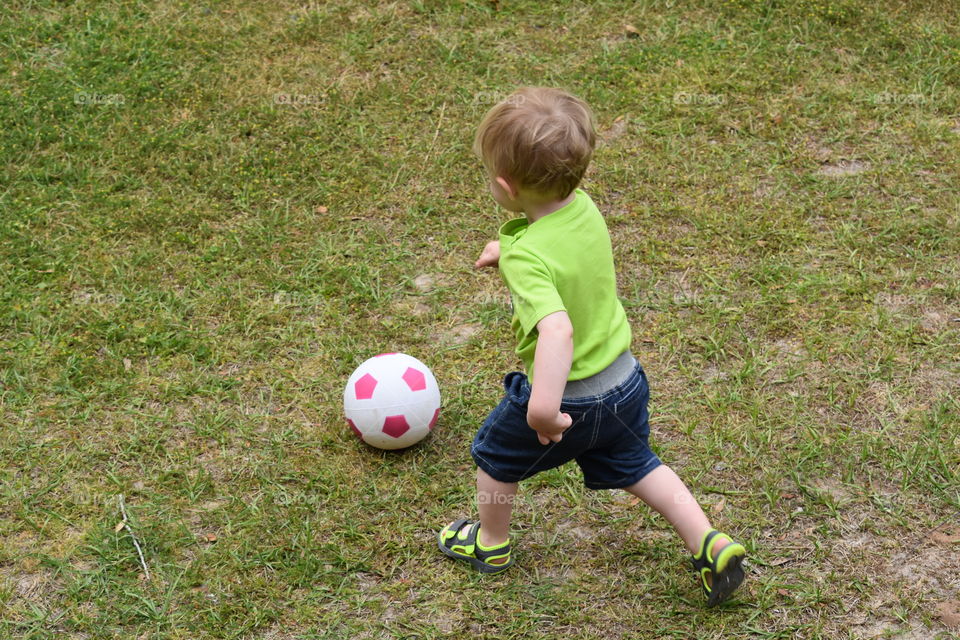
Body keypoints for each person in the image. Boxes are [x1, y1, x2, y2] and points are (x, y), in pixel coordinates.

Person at [437, 87, 747, 606]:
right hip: (624, 383)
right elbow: (557, 251)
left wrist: (542, 410)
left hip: (568, 400)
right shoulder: (583, 208)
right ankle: (707, 541)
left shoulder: (527, 259)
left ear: (503, 186)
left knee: (494, 459)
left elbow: (557, 330)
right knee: (639, 464)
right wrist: (507, 247)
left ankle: (490, 542)